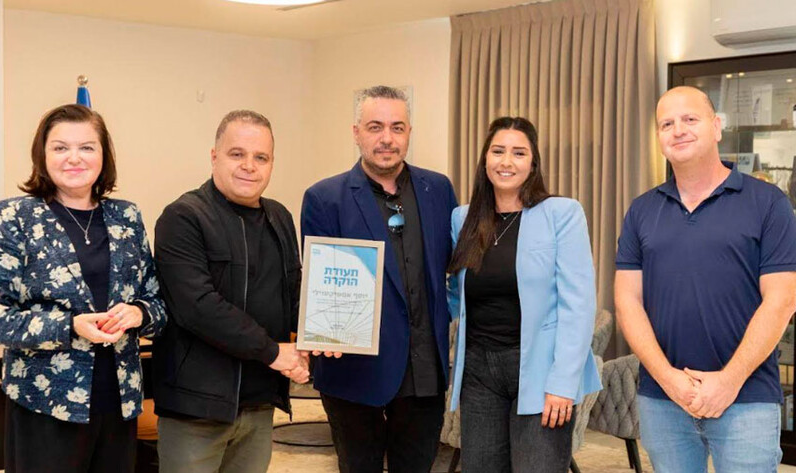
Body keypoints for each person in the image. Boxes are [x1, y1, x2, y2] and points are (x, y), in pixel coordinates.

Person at [0, 103, 167, 473]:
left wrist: (139, 313)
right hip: (45, 404)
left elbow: (157, 302)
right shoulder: (13, 217)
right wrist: (69, 326)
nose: (74, 158)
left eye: (86, 147)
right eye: (60, 147)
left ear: (103, 156)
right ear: (42, 156)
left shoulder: (126, 217)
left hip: (119, 403)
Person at [615, 85, 796, 472]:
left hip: (746, 398)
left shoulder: (768, 203)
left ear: (716, 127)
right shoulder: (641, 210)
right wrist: (669, 380)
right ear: (659, 136)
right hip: (663, 399)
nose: (678, 130)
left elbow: (782, 300)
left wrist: (729, 381)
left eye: (690, 119)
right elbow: (627, 301)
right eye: (666, 124)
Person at [301, 85, 458, 473]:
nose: (387, 138)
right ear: (356, 133)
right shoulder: (324, 198)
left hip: (424, 373)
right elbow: (320, 285)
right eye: (375, 127)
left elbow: (454, 269)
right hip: (355, 374)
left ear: (409, 132)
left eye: (397, 127)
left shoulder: (438, 189)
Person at [152, 110, 306, 473]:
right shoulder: (183, 217)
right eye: (237, 154)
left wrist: (324, 336)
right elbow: (199, 307)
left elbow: (294, 293)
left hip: (259, 404)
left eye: (261, 157)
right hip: (197, 410)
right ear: (214, 156)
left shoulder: (279, 217)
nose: (249, 166)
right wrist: (273, 352)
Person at [447, 116, 601, 472]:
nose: (507, 161)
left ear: (533, 163)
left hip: (542, 370)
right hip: (479, 372)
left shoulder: (562, 213)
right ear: (485, 159)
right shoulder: (463, 218)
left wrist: (563, 383)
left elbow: (578, 305)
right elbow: (456, 295)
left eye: (519, 153)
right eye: (498, 151)